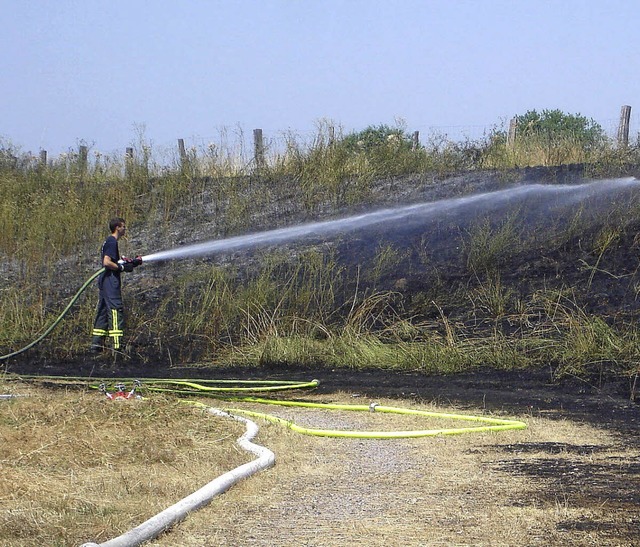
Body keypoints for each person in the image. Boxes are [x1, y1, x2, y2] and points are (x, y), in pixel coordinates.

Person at [90, 218, 142, 353]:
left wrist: (129, 262)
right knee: (115, 310)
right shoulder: (112, 242)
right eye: (124, 227)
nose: (125, 229)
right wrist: (121, 268)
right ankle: (117, 346)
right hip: (110, 281)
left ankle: (97, 345)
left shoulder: (109, 242)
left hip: (105, 281)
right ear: (117, 228)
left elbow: (113, 261)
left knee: (102, 311)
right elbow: (107, 262)